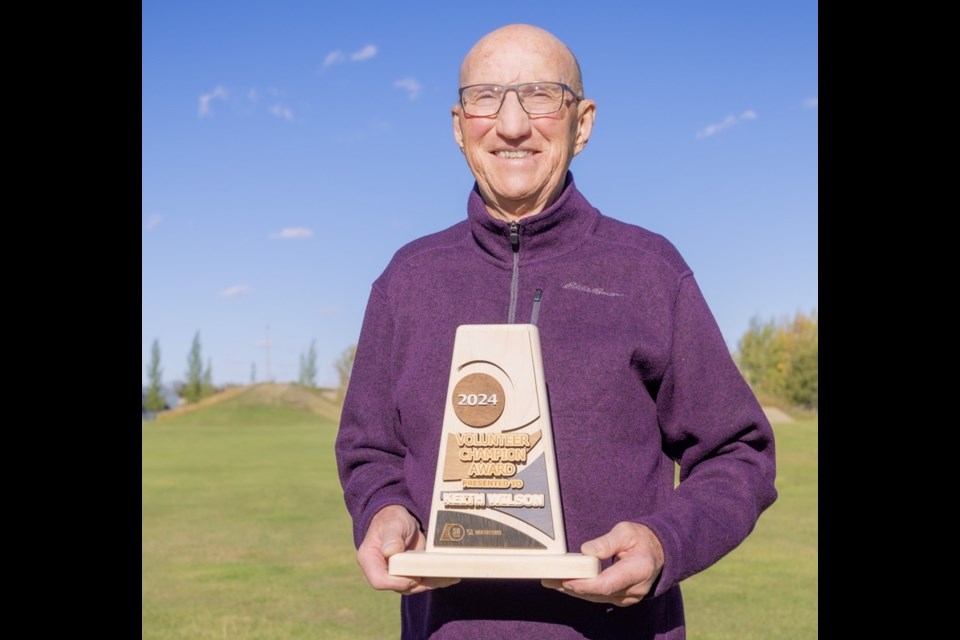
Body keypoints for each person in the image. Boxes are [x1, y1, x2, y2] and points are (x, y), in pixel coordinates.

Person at [335, 23, 778, 640]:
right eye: (486, 98)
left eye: (541, 95)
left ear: (583, 122)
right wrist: (383, 511)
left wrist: (662, 541)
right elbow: (369, 451)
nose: (512, 125)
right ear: (459, 125)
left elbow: (739, 451)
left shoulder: (649, 271)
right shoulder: (407, 280)